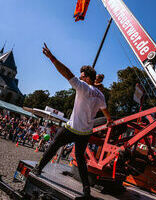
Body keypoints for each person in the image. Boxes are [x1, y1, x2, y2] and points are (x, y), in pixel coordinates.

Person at [32, 43, 113, 199]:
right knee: (81, 160)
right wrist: (109, 120)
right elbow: (105, 110)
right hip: (85, 132)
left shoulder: (83, 87)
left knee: (54, 145)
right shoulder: (100, 95)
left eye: (82, 74)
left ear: (87, 78)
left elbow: (66, 72)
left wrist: (52, 58)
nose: (79, 76)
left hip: (73, 128)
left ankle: (38, 169)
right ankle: (86, 189)